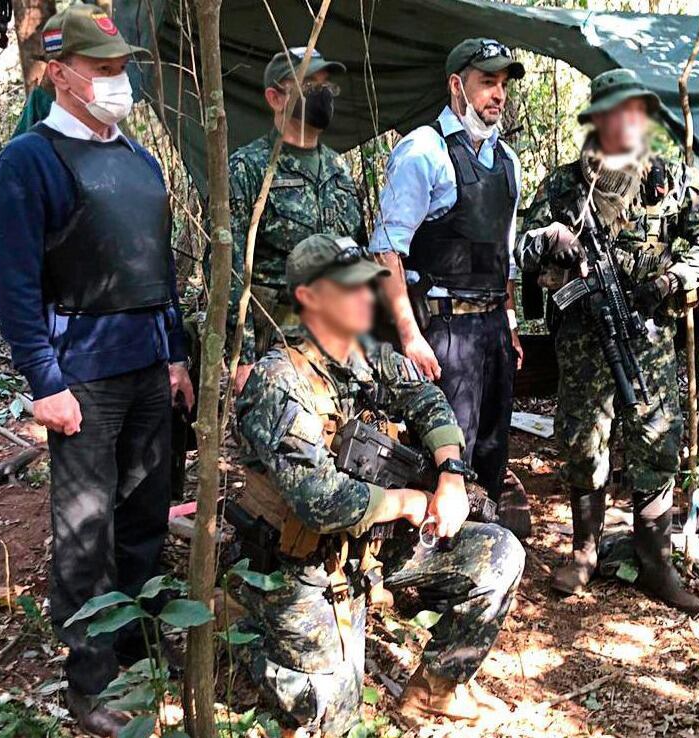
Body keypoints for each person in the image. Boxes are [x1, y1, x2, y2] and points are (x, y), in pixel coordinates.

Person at [0, 5, 193, 735]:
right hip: (82, 373)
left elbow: (158, 267)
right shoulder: (31, 159)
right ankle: (91, 680)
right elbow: (12, 280)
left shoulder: (136, 155)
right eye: (103, 69)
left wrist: (173, 353)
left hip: (145, 366)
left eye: (121, 67)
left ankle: (136, 648)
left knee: (144, 513)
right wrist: (44, 381)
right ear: (58, 73)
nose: (118, 80)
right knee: (85, 530)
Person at [233, 233, 524, 736]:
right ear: (308, 298)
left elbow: (426, 398)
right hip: (301, 564)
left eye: (369, 286)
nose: (366, 298)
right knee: (331, 713)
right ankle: (250, 633)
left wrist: (451, 472)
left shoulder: (365, 354)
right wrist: (408, 501)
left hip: (367, 545)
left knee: (498, 554)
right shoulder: (279, 380)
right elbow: (320, 500)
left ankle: (436, 690)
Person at [519, 69, 699, 612]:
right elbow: (520, 249)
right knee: (581, 439)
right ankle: (584, 551)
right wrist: (551, 238)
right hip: (582, 339)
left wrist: (670, 279)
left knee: (656, 438)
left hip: (648, 333)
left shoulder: (671, 179)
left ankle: (655, 562)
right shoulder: (564, 184)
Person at [369, 38, 530, 538]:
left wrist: (509, 321)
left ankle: (478, 558)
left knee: (490, 450)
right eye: (487, 83)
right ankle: (427, 563)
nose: (497, 95)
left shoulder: (507, 161)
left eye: (503, 85)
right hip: (443, 331)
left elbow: (503, 254)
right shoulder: (424, 152)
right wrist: (411, 335)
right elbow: (387, 250)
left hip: (491, 332)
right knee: (443, 454)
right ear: (456, 84)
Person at [221, 47, 364, 392]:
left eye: (326, 85)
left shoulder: (338, 169)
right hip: (274, 352)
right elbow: (228, 266)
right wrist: (240, 357)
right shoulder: (249, 168)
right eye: (309, 84)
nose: (323, 94)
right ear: (274, 97)